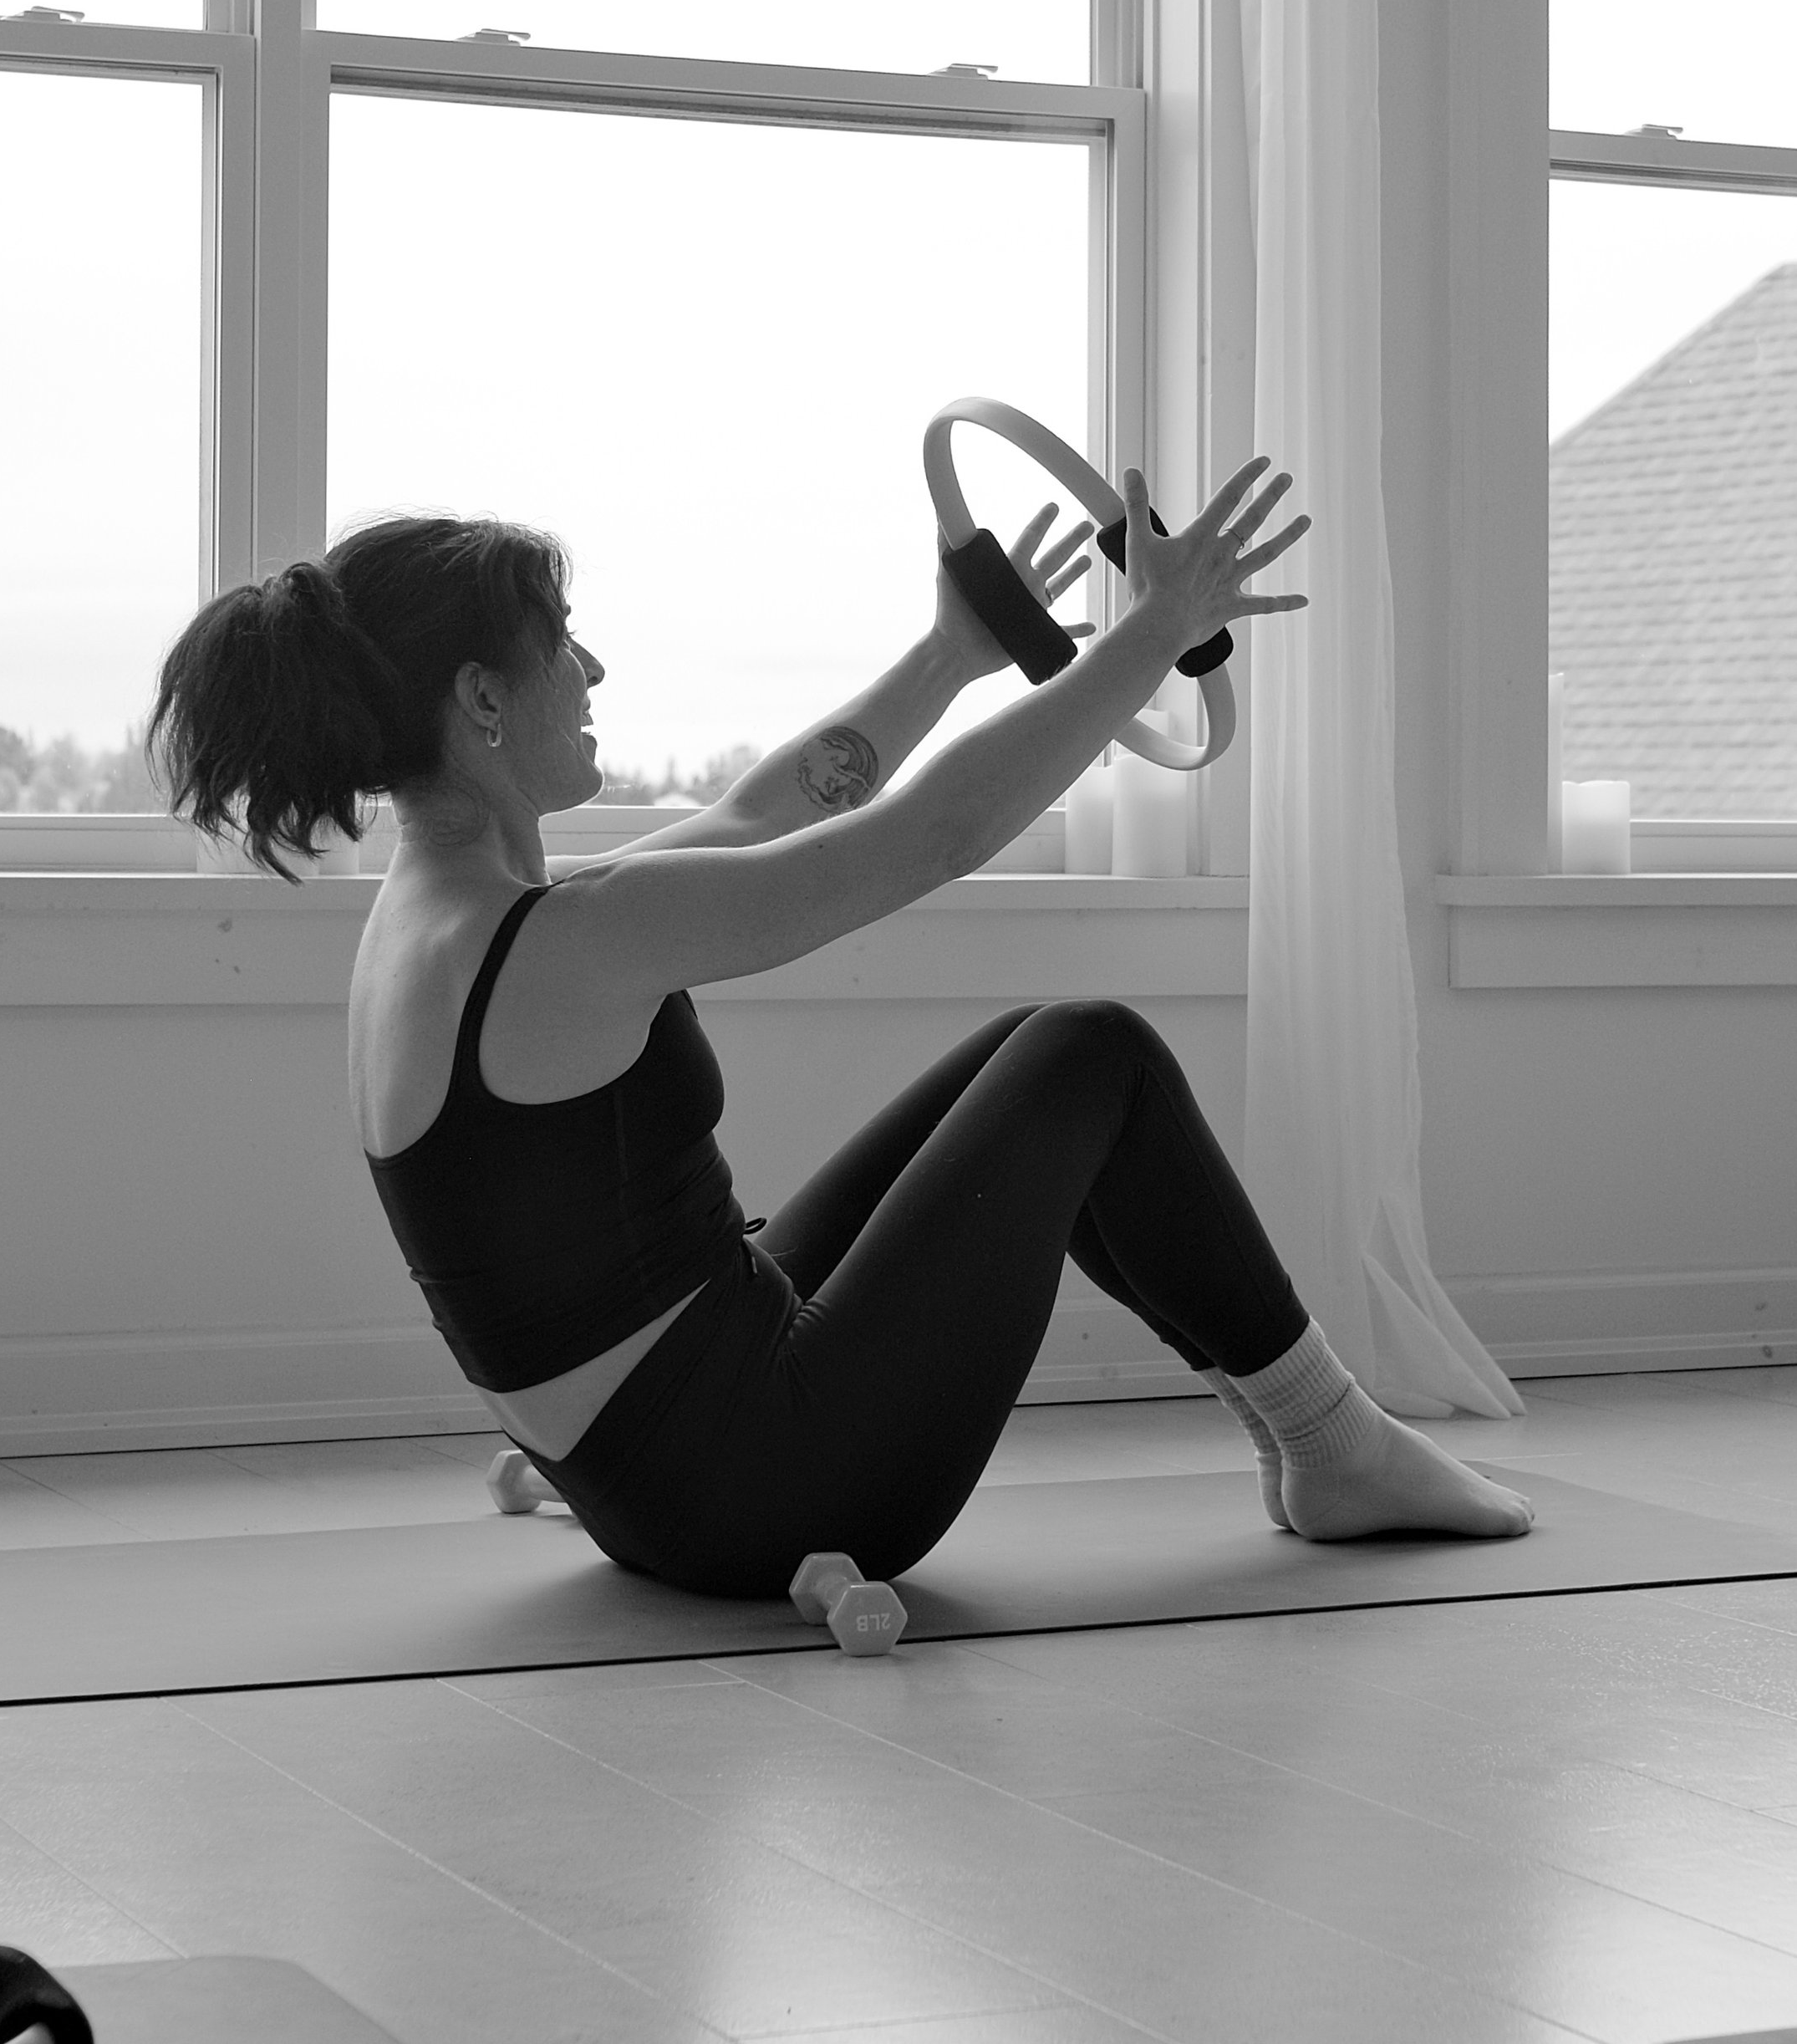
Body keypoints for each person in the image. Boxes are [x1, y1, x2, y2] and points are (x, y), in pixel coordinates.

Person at [148, 463, 1532, 1600]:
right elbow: (931, 836)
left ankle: (1309, 1435)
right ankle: (1329, 1436)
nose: (595, 667)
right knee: (1088, 1054)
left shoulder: (441, 917)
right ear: (482, 702)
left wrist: (949, 655)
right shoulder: (555, 942)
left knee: (1021, 1063)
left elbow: (766, 813)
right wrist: (1148, 639)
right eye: (562, 643)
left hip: (652, 1481)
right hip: (762, 1487)